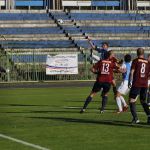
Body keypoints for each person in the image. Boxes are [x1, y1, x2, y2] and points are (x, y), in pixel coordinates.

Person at [128, 48, 150, 124]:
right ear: (143, 53)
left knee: (131, 100)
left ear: (137, 53)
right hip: (145, 84)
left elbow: (132, 72)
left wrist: (129, 81)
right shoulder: (148, 62)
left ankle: (135, 118)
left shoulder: (135, 61)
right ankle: (149, 116)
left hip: (137, 83)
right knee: (143, 100)